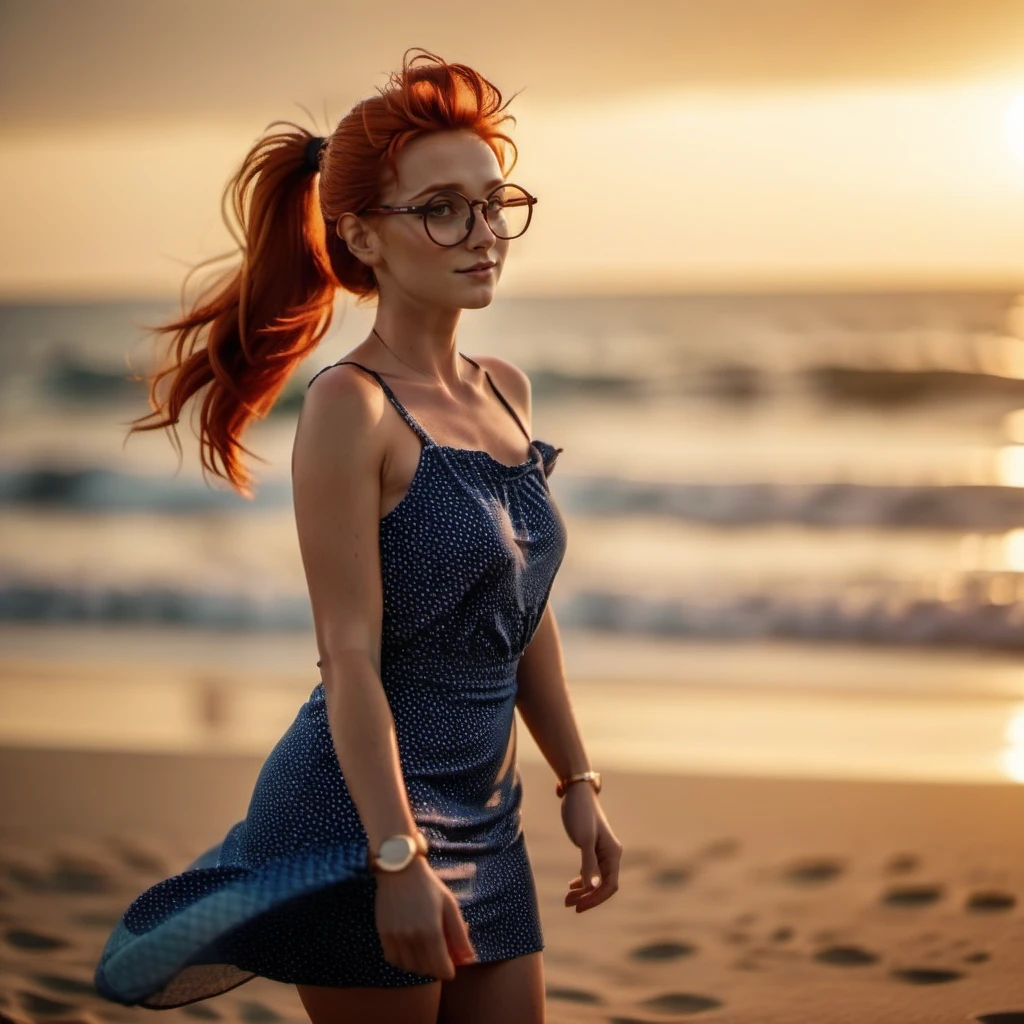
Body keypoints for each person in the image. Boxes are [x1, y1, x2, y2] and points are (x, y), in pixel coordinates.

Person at [93, 47, 622, 1024]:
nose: (483, 232)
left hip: (485, 817)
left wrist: (574, 778)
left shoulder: (506, 389)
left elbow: (521, 616)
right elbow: (347, 656)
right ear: (363, 238)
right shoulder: (352, 408)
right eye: (442, 208)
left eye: (494, 201)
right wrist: (394, 856)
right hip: (356, 826)